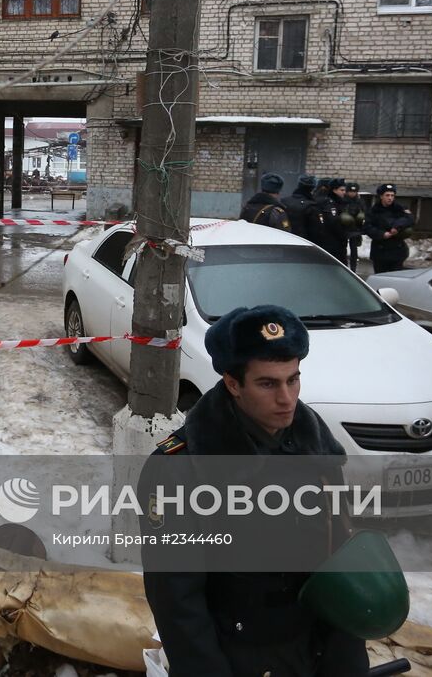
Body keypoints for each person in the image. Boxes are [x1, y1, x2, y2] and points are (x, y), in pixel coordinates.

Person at [142, 305, 370, 677]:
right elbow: (176, 601)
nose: (287, 399)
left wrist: (346, 659)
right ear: (233, 384)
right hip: (235, 656)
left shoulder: (318, 449)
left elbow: (339, 554)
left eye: (292, 380)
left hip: (313, 650)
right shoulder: (180, 469)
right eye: (268, 383)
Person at [363, 183, 414, 274]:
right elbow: (367, 227)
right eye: (387, 195)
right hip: (380, 252)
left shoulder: (399, 209)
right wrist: (382, 234)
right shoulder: (373, 211)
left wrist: (397, 227)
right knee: (381, 278)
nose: (390, 198)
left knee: (395, 279)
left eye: (392, 195)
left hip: (397, 252)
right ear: (381, 196)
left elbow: (409, 218)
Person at [313, 178, 351, 265]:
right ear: (334, 190)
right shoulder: (330, 202)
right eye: (341, 190)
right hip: (332, 243)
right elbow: (333, 222)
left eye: (345, 190)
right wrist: (343, 235)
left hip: (339, 243)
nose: (344, 192)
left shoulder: (341, 202)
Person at [282, 174, 322, 242]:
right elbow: (316, 232)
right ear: (312, 189)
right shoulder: (312, 206)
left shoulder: (284, 201)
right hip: (303, 244)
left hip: (285, 241)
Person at [342, 182, 367, 272]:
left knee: (354, 249)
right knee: (342, 248)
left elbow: (364, 213)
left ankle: (353, 269)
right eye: (350, 191)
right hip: (344, 228)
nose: (352, 193)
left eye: (354, 192)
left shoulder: (359, 201)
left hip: (355, 228)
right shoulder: (343, 200)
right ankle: (343, 266)